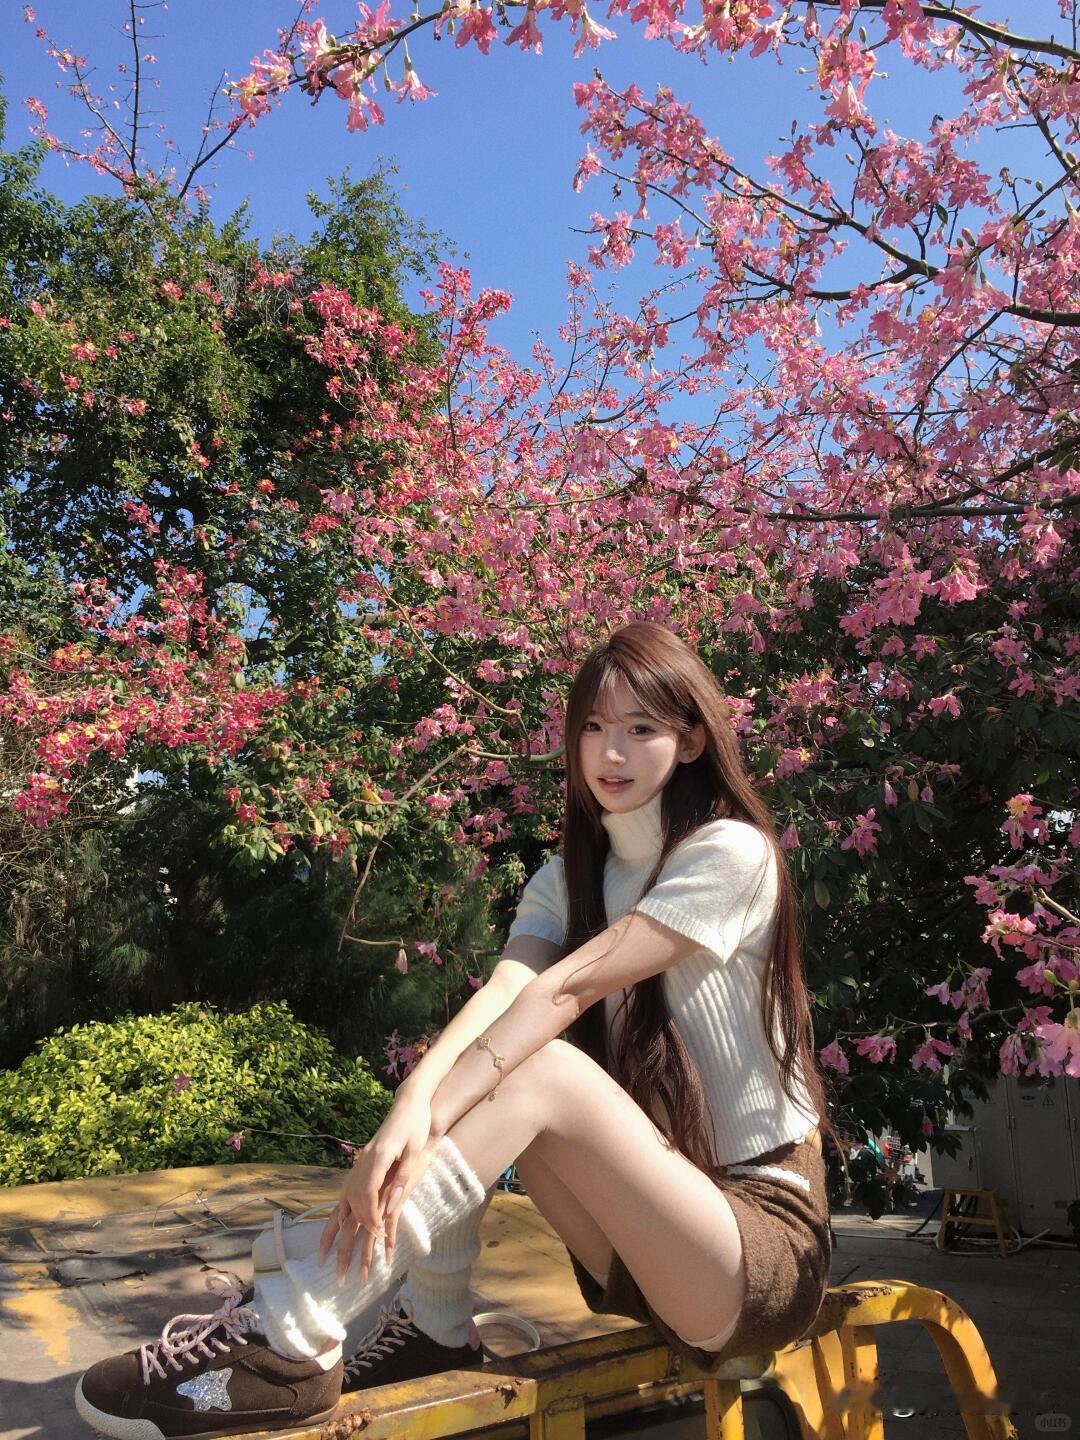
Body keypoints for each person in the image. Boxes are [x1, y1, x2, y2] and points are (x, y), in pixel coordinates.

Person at [75, 622, 835, 1439]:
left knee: (538, 1068)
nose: (610, 753)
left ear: (689, 741)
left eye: (640, 728)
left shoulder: (731, 854)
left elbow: (563, 990)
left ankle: (294, 1331)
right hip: (651, 1250)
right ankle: (435, 1325)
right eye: (592, 727)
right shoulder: (565, 879)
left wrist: (429, 1113)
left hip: (759, 1250)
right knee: (492, 1071)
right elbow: (508, 991)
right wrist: (412, 1105)